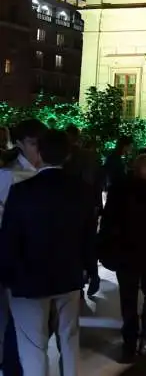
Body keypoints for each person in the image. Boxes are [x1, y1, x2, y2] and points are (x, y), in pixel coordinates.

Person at [0, 129, 96, 376]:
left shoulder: (23, 191)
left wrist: (7, 276)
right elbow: (88, 237)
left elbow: (9, 239)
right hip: (69, 276)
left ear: (40, 153)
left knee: (33, 345)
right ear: (67, 156)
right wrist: (90, 271)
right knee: (69, 339)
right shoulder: (83, 190)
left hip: (28, 280)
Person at [98, 154, 146, 362]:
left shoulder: (118, 190)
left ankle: (129, 341)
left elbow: (108, 223)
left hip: (126, 253)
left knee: (128, 298)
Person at [0, 118, 47, 375]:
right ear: (19, 144)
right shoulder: (8, 176)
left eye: (41, 143)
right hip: (15, 261)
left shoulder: (43, 173)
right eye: (32, 143)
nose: (37, 149)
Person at [63, 125, 103, 296]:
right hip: (87, 206)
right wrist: (98, 205)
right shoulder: (91, 156)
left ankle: (80, 282)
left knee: (74, 244)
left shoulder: (65, 157)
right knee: (88, 242)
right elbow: (98, 182)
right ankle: (92, 275)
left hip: (69, 206)